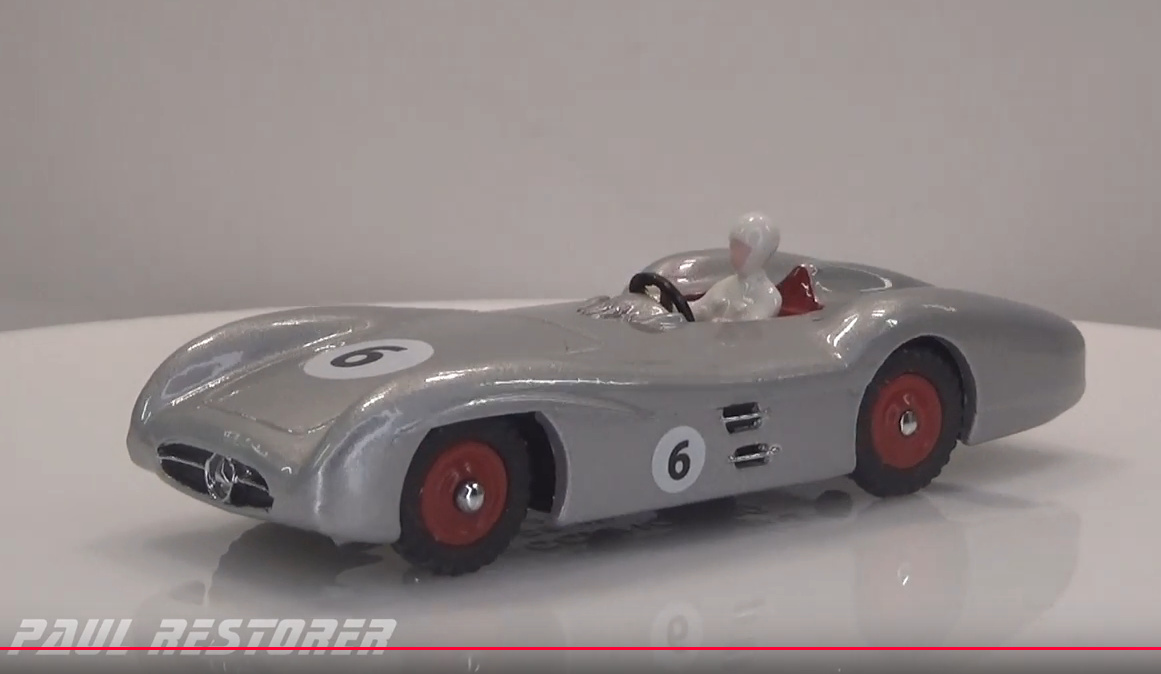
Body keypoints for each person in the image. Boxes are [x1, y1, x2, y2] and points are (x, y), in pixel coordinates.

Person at [689, 212, 783, 322]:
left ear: (760, 252)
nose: (734, 254)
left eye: (742, 249)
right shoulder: (725, 285)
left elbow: (752, 325)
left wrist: (721, 321)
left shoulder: (769, 297)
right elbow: (694, 308)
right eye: (733, 247)